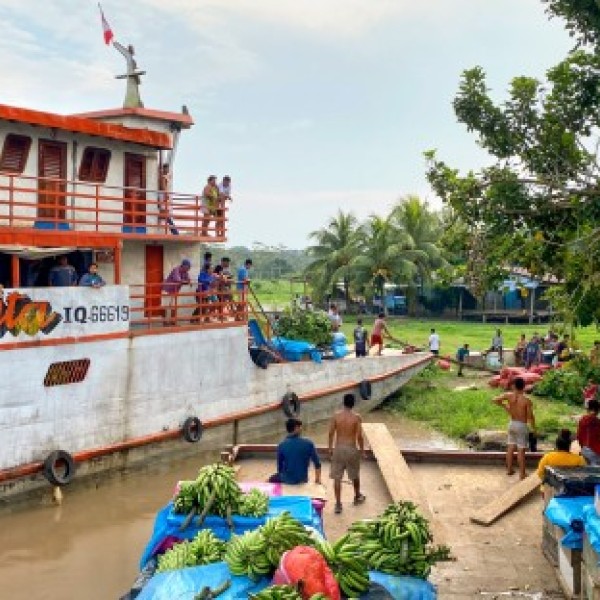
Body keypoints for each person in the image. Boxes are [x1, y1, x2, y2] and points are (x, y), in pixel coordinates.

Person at [328, 394, 366, 514]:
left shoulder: (336, 416)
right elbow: (359, 436)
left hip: (338, 448)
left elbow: (330, 433)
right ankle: (357, 496)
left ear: (343, 402)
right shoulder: (357, 417)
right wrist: (362, 450)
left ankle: (338, 504)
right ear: (353, 403)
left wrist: (330, 448)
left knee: (337, 478)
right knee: (355, 475)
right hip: (351, 449)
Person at [492, 377, 536, 480]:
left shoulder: (508, 396)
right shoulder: (527, 400)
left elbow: (494, 400)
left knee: (510, 448)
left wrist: (505, 406)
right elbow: (530, 417)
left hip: (512, 423)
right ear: (524, 387)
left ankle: (509, 470)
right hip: (521, 425)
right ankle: (522, 474)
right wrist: (534, 429)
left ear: (514, 386)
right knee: (521, 450)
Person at [269, 418, 321, 485]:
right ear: (296, 428)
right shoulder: (309, 443)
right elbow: (317, 464)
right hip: (303, 479)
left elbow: (279, 468)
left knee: (269, 480)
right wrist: (317, 480)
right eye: (300, 427)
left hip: (286, 478)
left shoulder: (281, 445)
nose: (301, 429)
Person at [536, 429, 585, 496]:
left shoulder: (547, 457)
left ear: (556, 444)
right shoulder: (579, 459)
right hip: (571, 490)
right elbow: (583, 475)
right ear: (569, 445)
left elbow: (540, 473)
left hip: (550, 490)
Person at [162, 259, 192, 324]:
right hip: (167, 290)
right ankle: (165, 322)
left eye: (189, 267)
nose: (189, 269)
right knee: (166, 307)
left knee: (174, 306)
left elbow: (188, 280)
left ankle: (173, 321)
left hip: (175, 291)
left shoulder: (185, 272)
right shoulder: (176, 269)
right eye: (188, 267)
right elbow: (177, 280)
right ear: (184, 266)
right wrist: (186, 282)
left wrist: (188, 281)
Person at [577, 399, 600, 466]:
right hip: (596, 451)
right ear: (597, 409)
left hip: (584, 449)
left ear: (588, 408)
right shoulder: (597, 422)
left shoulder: (582, 420)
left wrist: (582, 447)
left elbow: (579, 436)